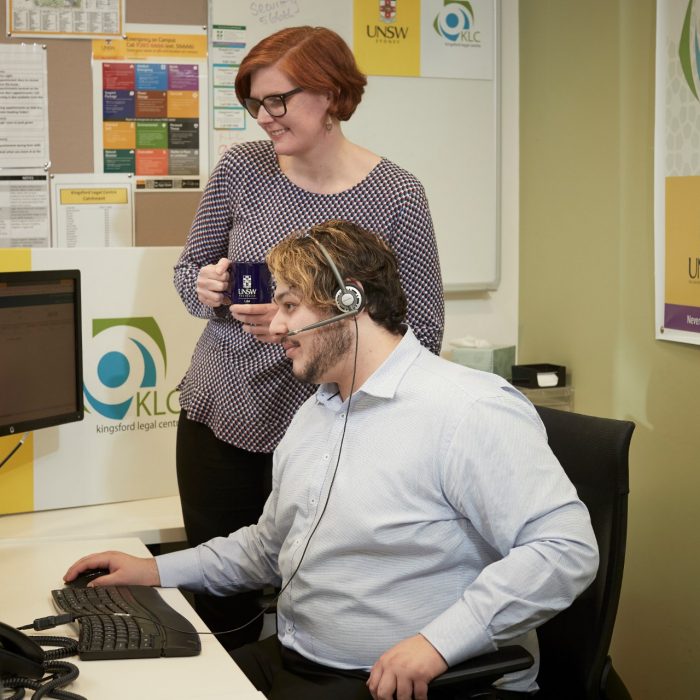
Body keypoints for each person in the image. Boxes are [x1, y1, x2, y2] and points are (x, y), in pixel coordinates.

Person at [67, 221, 598, 700]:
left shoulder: (467, 409)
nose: (274, 327)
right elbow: (268, 547)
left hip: (398, 683)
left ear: (350, 299)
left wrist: (438, 643)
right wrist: (154, 569)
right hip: (298, 662)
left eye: (291, 305)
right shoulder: (319, 410)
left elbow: (564, 548)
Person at [173, 25, 444, 649]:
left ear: (330, 94)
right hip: (223, 417)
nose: (263, 118)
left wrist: (310, 327)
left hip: (333, 431)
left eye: (277, 101)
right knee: (224, 608)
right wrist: (208, 291)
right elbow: (188, 273)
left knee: (324, 600)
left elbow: (422, 331)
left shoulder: (396, 195)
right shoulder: (243, 168)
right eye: (253, 103)